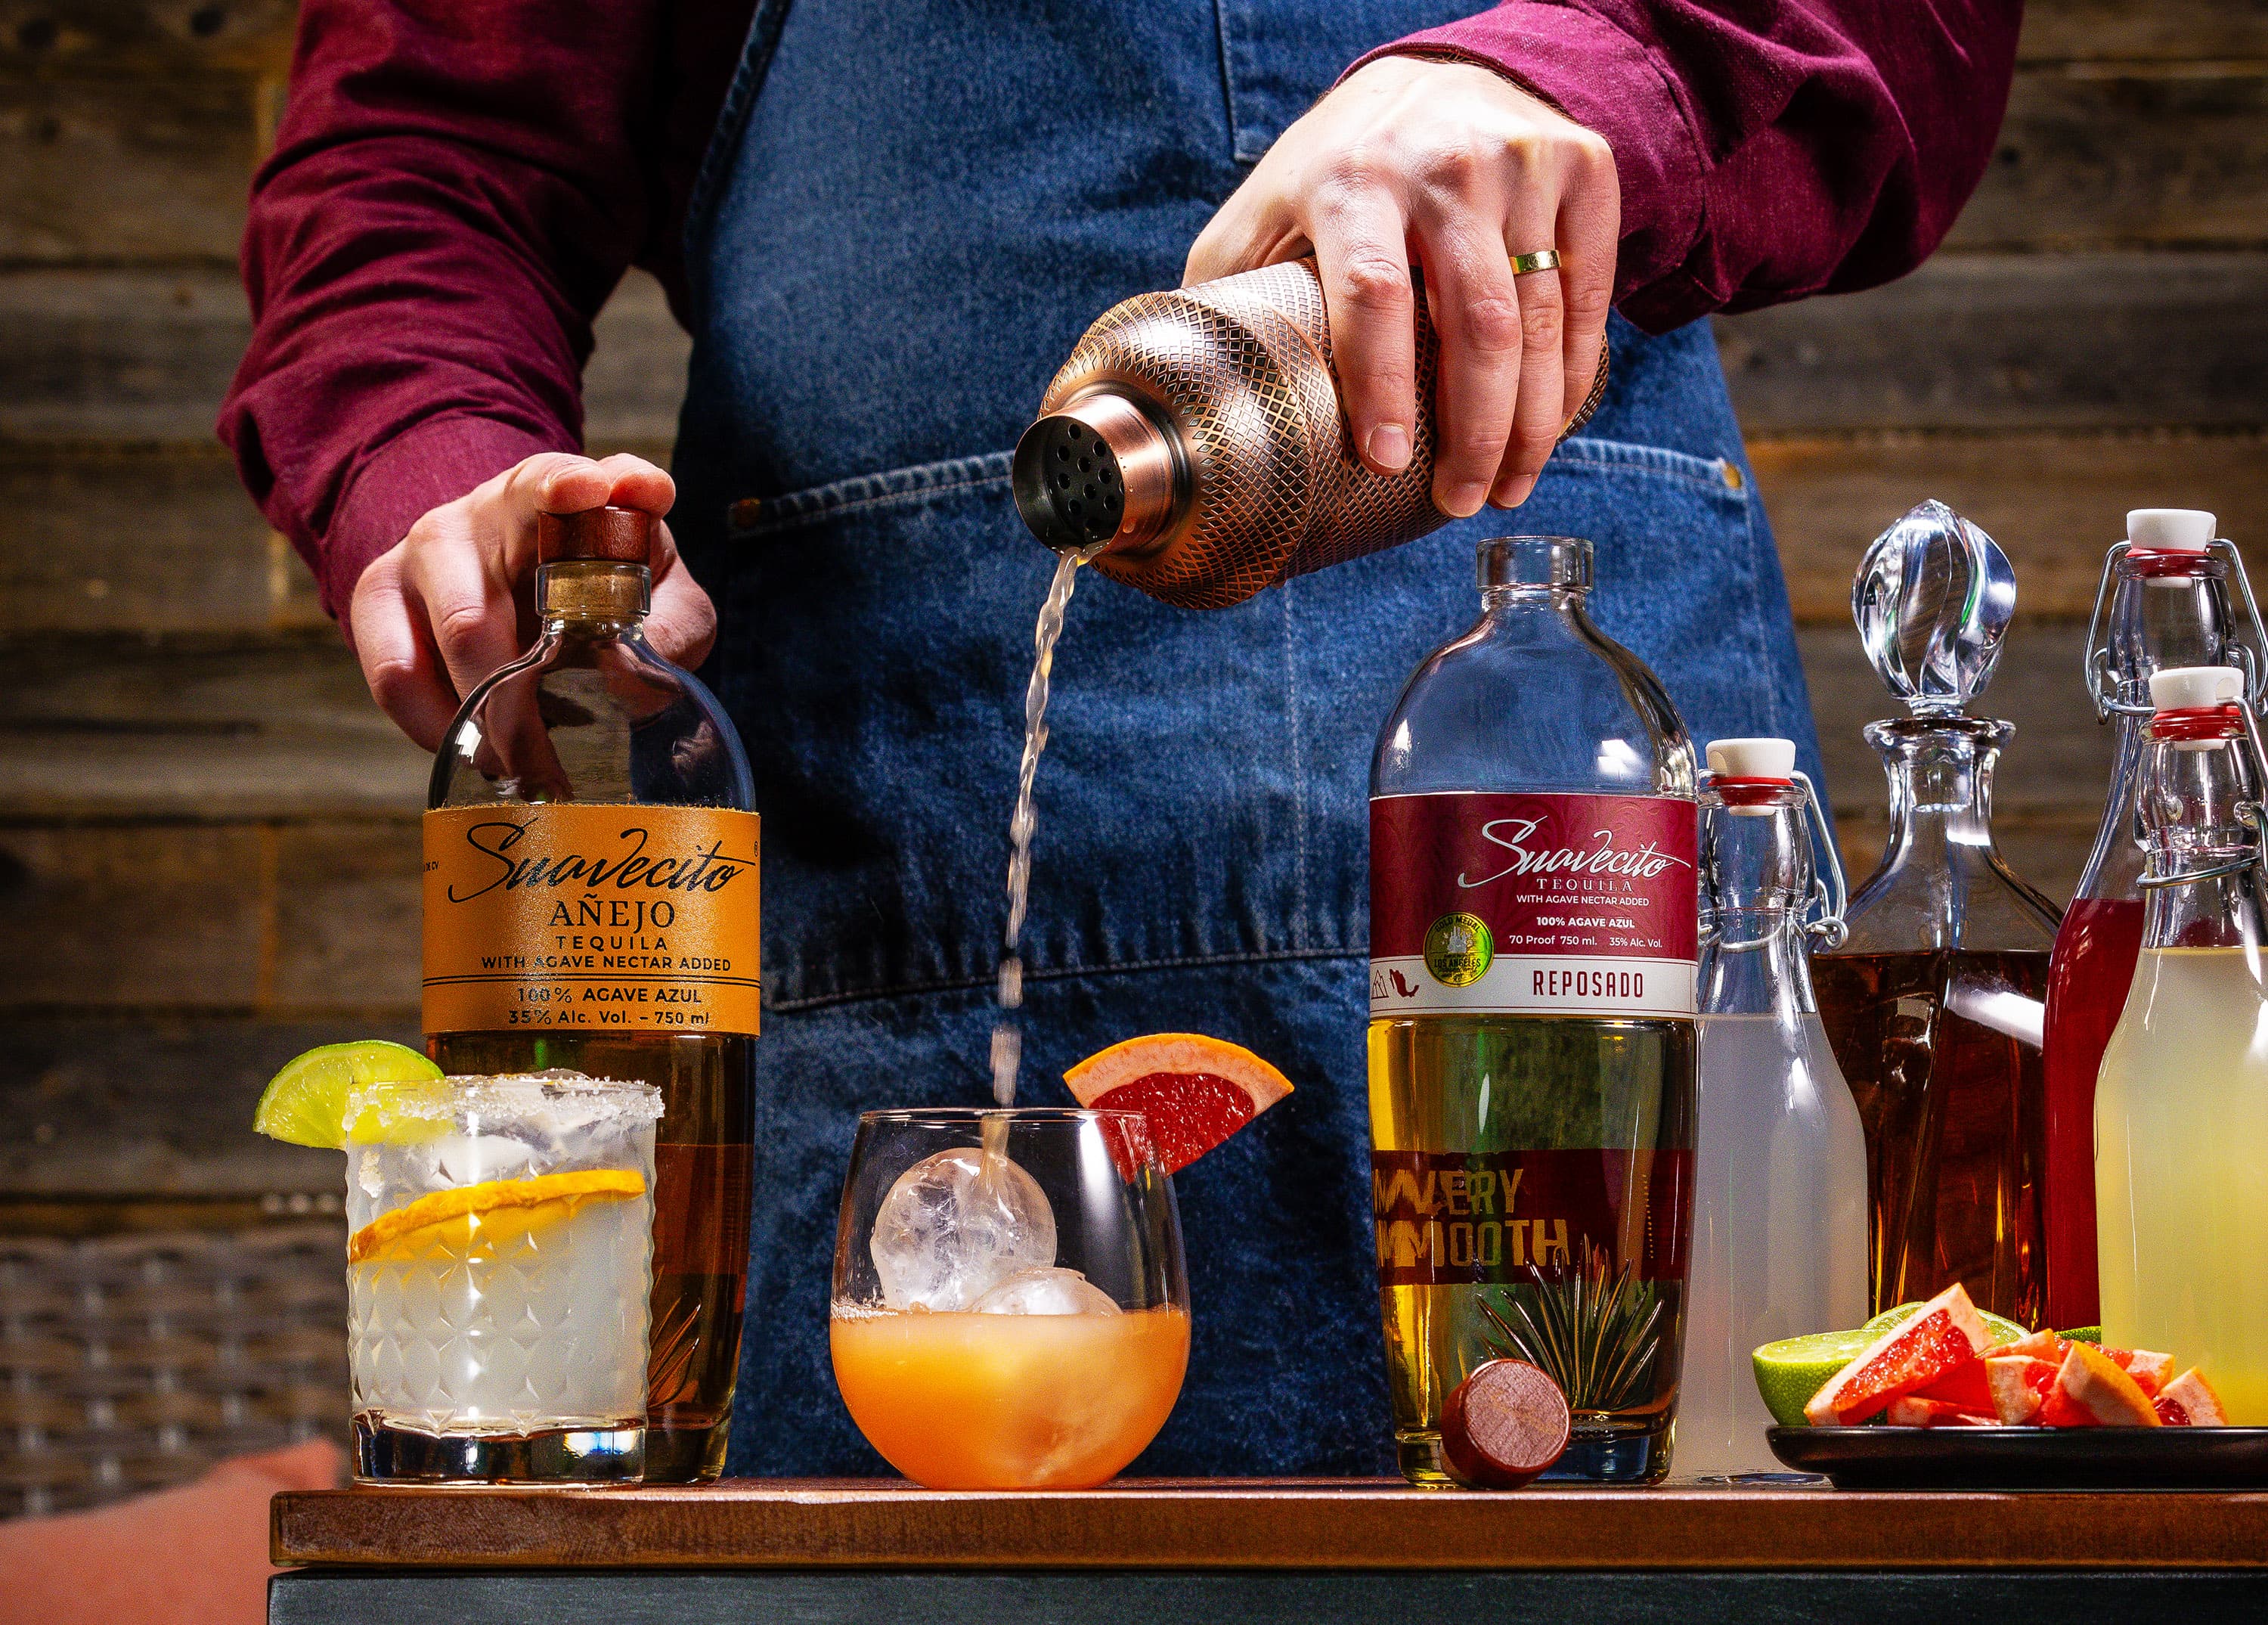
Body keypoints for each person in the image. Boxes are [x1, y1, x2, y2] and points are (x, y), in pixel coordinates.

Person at [222, 1, 2022, 1474]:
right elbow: (423, 161)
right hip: (900, 918)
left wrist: (1577, 81)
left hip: (1603, 952)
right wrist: (439, 465)